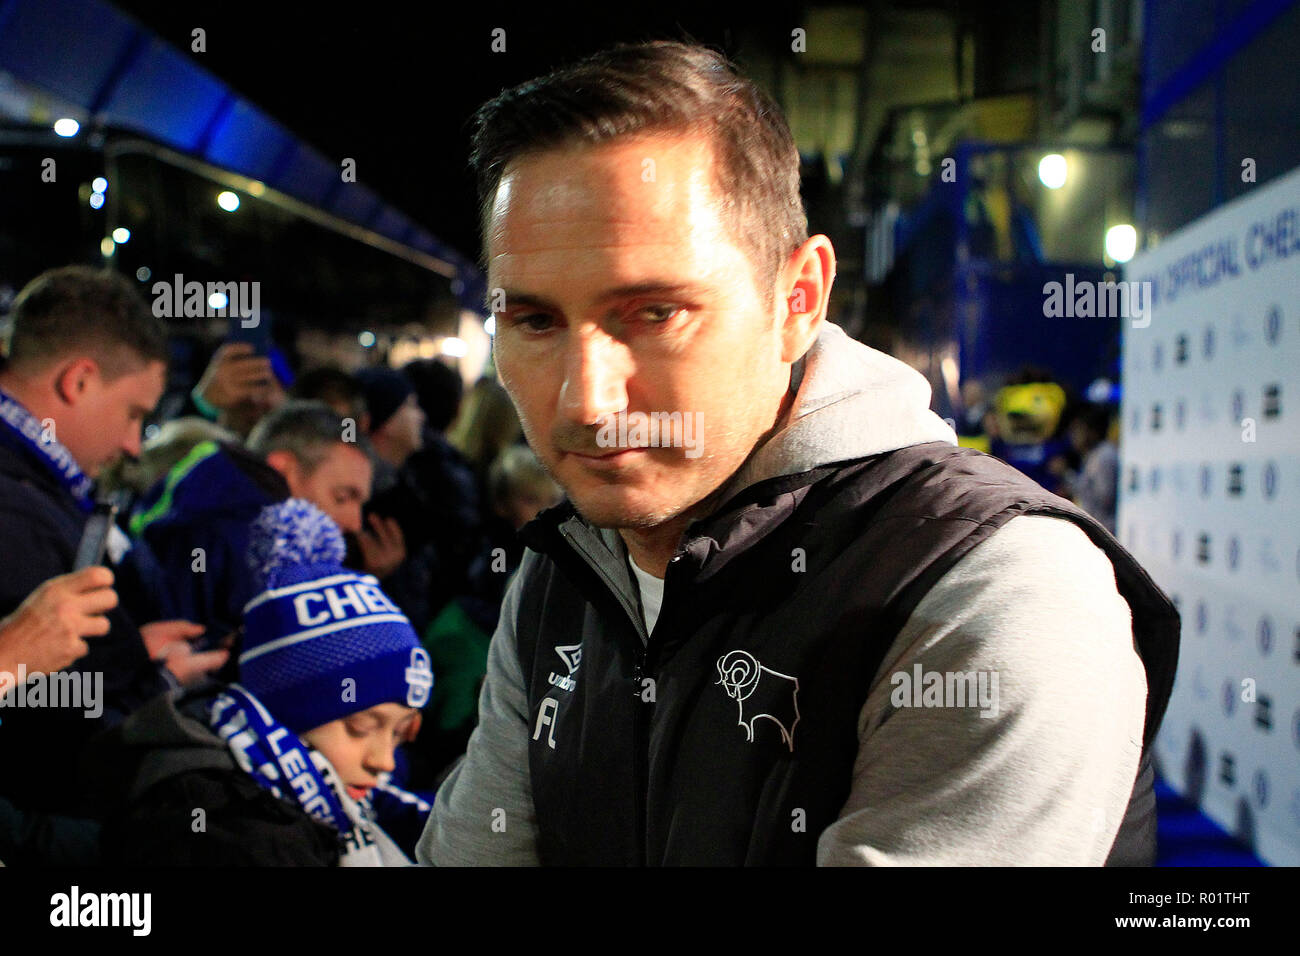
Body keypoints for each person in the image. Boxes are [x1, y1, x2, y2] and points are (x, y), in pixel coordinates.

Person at [417, 41, 1180, 867]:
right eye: (534, 322)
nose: (587, 402)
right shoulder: (564, 570)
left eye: (654, 314)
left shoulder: (994, 586)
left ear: (798, 300)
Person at [89, 498, 434, 865]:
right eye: (360, 726)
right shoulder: (230, 837)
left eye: (399, 733)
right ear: (286, 709)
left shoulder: (335, 806)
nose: (385, 761)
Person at [0, 265, 223, 821]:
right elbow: (40, 724)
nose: (131, 443)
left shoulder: (37, 487)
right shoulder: (14, 507)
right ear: (78, 380)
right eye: (134, 414)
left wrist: (128, 652)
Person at [130, 400, 375, 645]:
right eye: (342, 497)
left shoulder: (203, 504)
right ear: (284, 469)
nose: (355, 523)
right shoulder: (241, 542)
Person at [1064, 402, 1120, 534]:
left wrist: (1066, 475)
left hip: (1105, 530)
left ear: (1093, 432)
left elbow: (1105, 497)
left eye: (1077, 430)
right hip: (1095, 529)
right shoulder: (1092, 455)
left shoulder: (1104, 456)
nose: (1073, 437)